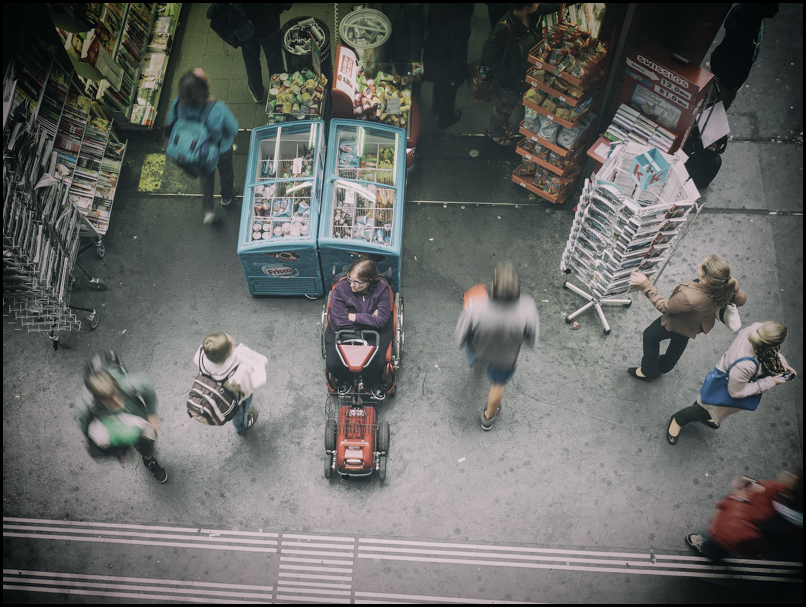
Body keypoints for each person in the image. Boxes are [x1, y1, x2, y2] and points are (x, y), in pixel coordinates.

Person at [666, 321, 796, 444]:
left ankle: (703, 412)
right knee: (707, 408)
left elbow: (772, 355)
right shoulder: (746, 365)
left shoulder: (758, 329)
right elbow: (736, 392)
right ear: (770, 344)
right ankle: (678, 419)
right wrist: (769, 381)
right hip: (727, 383)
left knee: (706, 403)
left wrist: (781, 364)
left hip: (728, 373)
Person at [627, 254, 747, 381]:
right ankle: (665, 366)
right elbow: (741, 300)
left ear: (706, 280)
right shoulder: (728, 284)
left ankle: (648, 371)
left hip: (676, 321)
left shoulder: (689, 297)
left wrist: (645, 284)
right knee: (680, 340)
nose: (698, 265)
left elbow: (665, 306)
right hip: (695, 324)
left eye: (701, 267)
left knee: (650, 335)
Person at [455, 262, 539, 430]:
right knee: (497, 385)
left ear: (493, 289)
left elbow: (461, 336)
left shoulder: (476, 307)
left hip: (478, 351)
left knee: (476, 359)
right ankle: (488, 418)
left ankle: (478, 368)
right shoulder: (527, 308)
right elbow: (532, 338)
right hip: (505, 358)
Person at [481, 2, 560, 146]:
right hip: (510, 80)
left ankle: (502, 123)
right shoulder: (504, 28)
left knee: (509, 106)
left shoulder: (533, 13)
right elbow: (489, 57)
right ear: (525, 7)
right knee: (504, 107)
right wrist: (508, 78)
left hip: (522, 74)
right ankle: (493, 131)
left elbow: (550, 6)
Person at [168, 69, 239, 225]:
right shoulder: (218, 108)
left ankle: (208, 210)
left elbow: (171, 120)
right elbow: (234, 129)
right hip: (221, 149)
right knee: (226, 173)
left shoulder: (178, 103)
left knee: (206, 178)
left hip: (197, 152)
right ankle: (227, 197)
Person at [686, 467, 803, 561]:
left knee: (717, 545)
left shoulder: (773, 523)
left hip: (732, 535)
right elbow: (769, 488)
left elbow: (731, 534)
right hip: (750, 532)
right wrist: (753, 484)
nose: (786, 473)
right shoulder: (783, 494)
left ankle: (709, 550)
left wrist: (739, 497)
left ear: (791, 496)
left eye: (793, 479)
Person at [78, 365, 167, 483]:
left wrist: (152, 414)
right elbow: (86, 428)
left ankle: (148, 459)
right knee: (130, 444)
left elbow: (148, 389)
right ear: (98, 399)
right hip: (115, 428)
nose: (117, 401)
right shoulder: (86, 408)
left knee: (147, 442)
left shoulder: (129, 384)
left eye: (116, 393)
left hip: (138, 419)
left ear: (115, 384)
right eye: (109, 400)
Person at [325, 259, 393, 400]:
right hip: (341, 330)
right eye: (350, 279)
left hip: (376, 332)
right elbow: (340, 322)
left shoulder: (383, 290)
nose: (351, 285)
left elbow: (381, 322)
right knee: (333, 362)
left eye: (357, 282)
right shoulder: (341, 288)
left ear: (369, 282)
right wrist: (369, 319)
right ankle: (345, 379)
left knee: (377, 361)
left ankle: (373, 382)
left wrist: (354, 317)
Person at [708, 4, 780, 111]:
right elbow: (734, 54)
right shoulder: (745, 20)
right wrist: (733, 84)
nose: (778, 9)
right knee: (715, 105)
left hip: (730, 71)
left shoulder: (751, 14)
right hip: (728, 75)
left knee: (714, 103)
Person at [194, 333, 268, 435]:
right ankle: (241, 427)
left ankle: (240, 426)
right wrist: (260, 365)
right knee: (239, 414)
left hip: (214, 388)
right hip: (234, 399)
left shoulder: (202, 354)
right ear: (227, 355)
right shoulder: (240, 369)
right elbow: (254, 384)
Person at [423, 4, 474, 128]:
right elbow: (459, 55)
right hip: (448, 67)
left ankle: (435, 107)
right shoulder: (462, 25)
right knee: (448, 97)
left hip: (433, 57)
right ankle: (444, 121)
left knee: (438, 85)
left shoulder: (435, 9)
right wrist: (456, 77)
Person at [240, 3, 292, 103]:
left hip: (246, 27)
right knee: (275, 60)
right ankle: (277, 91)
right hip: (269, 24)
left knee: (251, 60)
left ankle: (257, 93)